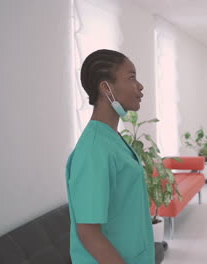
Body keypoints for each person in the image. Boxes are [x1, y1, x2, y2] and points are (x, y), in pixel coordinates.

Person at [65, 49, 155, 264]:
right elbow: (88, 232)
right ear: (106, 88)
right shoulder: (94, 150)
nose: (140, 86)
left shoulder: (110, 138)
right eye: (131, 78)